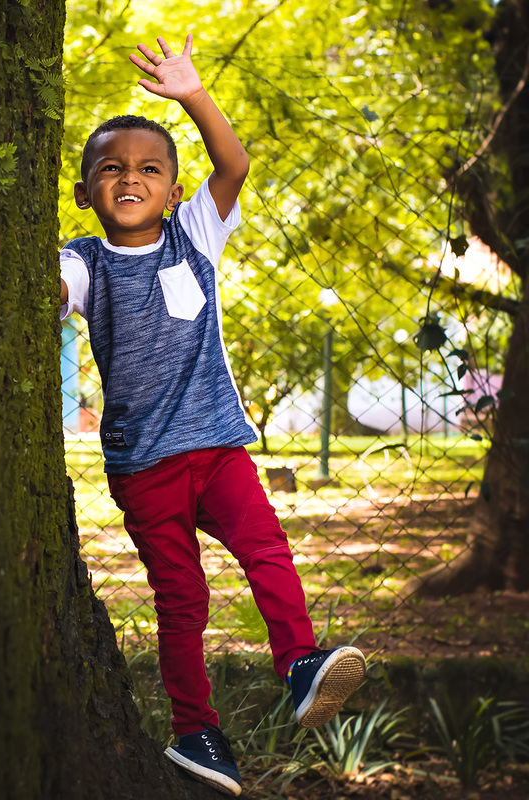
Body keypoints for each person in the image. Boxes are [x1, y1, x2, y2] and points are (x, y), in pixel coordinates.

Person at [58, 33, 365, 797]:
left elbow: (235, 166)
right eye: (112, 169)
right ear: (86, 190)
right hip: (144, 467)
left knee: (267, 546)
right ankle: (196, 732)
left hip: (220, 449)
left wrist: (192, 94)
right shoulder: (85, 261)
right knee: (181, 599)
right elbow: (55, 291)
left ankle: (299, 665)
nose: (131, 178)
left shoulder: (195, 236)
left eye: (149, 169)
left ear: (172, 188)